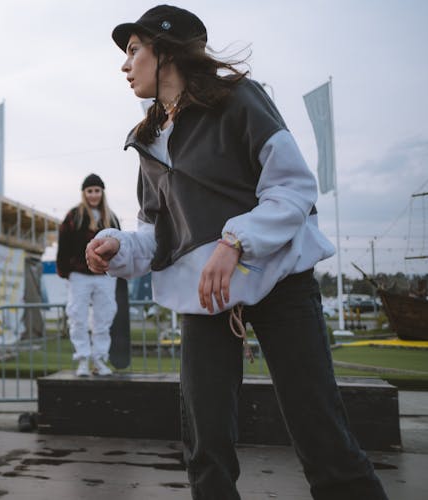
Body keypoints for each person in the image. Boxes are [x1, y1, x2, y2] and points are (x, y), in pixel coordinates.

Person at [85, 5, 388, 499]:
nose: (125, 65)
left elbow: (292, 189)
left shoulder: (241, 100)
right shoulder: (147, 141)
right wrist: (118, 246)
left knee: (323, 437)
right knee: (206, 450)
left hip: (281, 282)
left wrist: (235, 241)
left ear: (167, 51)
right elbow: (159, 239)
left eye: (134, 50)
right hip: (204, 300)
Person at [57, 173, 120, 377]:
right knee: (77, 316)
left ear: (102, 192)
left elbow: (122, 245)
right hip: (79, 274)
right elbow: (63, 243)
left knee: (104, 317)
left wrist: (119, 268)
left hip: (105, 275)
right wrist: (64, 269)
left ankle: (100, 359)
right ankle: (82, 358)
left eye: (97, 191)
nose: (94, 195)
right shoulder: (74, 216)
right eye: (90, 191)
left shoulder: (111, 217)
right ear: (84, 193)